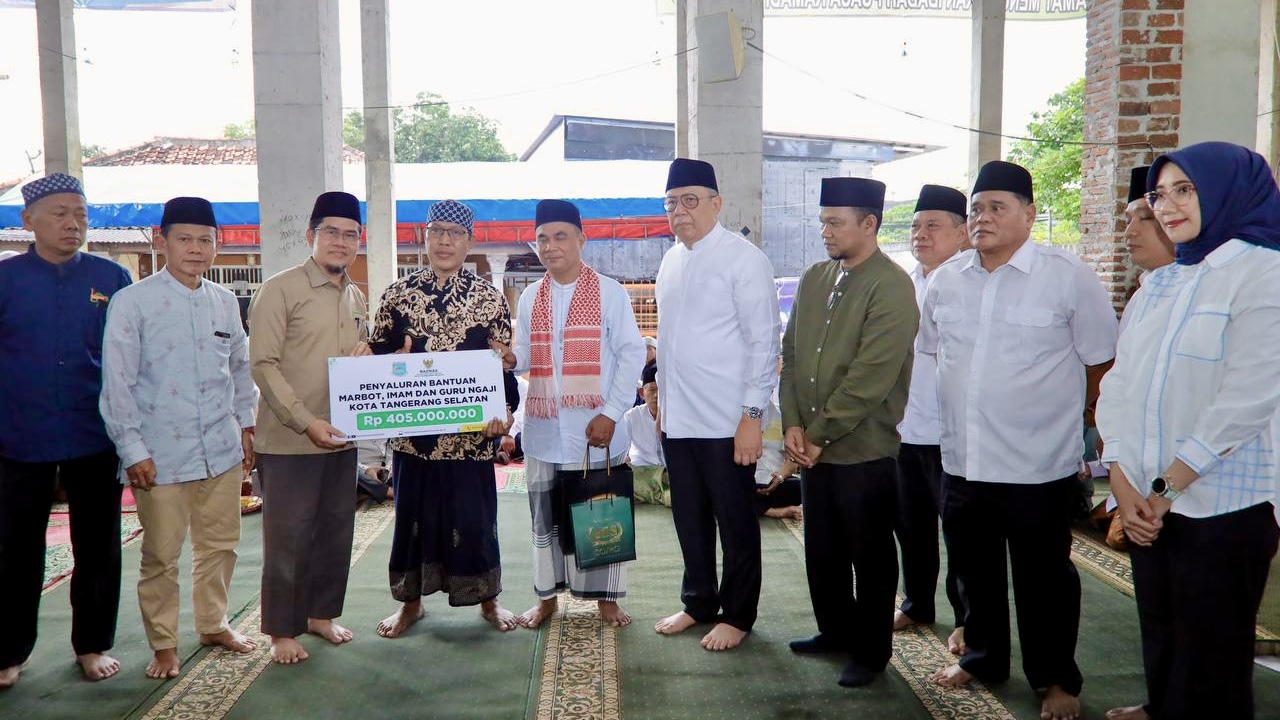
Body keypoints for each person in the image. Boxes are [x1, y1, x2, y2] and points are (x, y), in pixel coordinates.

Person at [920, 161, 1117, 720]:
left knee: (1044, 580)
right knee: (973, 570)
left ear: (1029, 215)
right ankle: (983, 657)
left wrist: (1091, 430)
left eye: (997, 207)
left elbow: (1101, 362)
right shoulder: (946, 279)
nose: (982, 218)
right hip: (963, 459)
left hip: (1038, 464)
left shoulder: (1067, 276)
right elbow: (934, 351)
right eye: (976, 208)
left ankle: (1055, 680)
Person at [1097, 142, 1280, 720]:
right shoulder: (1161, 283)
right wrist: (1122, 481)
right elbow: (1120, 387)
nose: (1167, 206)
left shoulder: (1264, 273)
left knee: (1211, 667)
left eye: (1185, 190)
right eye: (1159, 193)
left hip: (1222, 507)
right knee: (1163, 639)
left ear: (1228, 191)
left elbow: (1246, 401)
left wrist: (1166, 488)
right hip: (1148, 502)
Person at [99, 196, 259, 679]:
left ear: (218, 244)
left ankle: (213, 624)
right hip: (159, 454)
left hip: (221, 449)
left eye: (205, 240)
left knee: (221, 545)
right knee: (161, 556)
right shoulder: (133, 302)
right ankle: (164, 645)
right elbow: (117, 384)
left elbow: (240, 367)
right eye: (184, 239)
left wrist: (246, 424)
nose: (195, 249)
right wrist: (132, 450)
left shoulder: (223, 300)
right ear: (161, 240)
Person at [781, 177, 919, 688]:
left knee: (870, 554)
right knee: (823, 551)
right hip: (812, 445)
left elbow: (870, 377)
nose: (825, 231)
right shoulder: (815, 277)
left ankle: (870, 651)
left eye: (835, 223)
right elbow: (791, 354)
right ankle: (835, 631)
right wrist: (793, 423)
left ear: (869, 223)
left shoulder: (891, 286)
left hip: (864, 450)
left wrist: (817, 435)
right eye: (823, 222)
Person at [0, 173, 133, 687]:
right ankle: (8, 651)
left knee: (98, 544)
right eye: (59, 213)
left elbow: (130, 358)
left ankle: (92, 645)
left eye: (80, 214)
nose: (73, 224)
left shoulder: (111, 277)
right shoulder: (7, 279)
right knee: (14, 548)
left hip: (93, 431)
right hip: (18, 434)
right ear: (28, 220)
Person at [369, 199, 522, 638]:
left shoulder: (489, 298)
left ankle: (488, 600)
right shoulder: (397, 295)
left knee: (475, 521)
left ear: (469, 242)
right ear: (425, 237)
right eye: (436, 231)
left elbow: (501, 367)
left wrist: (504, 413)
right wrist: (388, 362)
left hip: (470, 439)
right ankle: (411, 605)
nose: (444, 241)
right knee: (412, 522)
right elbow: (375, 361)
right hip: (413, 439)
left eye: (454, 233)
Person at [497, 199, 646, 629]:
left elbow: (631, 353)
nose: (550, 246)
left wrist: (612, 413)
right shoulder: (531, 296)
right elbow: (527, 355)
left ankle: (606, 599)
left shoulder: (610, 292)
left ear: (581, 239)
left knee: (601, 513)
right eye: (542, 238)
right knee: (546, 521)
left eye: (560, 236)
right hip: (544, 429)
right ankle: (547, 598)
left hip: (596, 428)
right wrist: (513, 358)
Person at [653, 158, 780, 651]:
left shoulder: (744, 259)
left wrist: (752, 417)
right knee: (689, 518)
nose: (680, 211)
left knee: (736, 519)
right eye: (671, 202)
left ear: (716, 204)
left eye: (690, 200)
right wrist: (662, 404)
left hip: (728, 421)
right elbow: (667, 341)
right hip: (680, 419)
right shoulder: (670, 260)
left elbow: (764, 343)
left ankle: (738, 614)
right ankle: (699, 602)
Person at [248, 191, 371, 664]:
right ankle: (282, 630)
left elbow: (356, 359)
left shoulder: (355, 295)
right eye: (331, 232)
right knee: (289, 537)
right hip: (291, 439)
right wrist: (305, 421)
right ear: (310, 236)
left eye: (350, 234)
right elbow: (263, 364)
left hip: (341, 436)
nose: (341, 241)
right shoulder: (279, 290)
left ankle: (321, 615)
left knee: (335, 531)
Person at [892, 185, 970, 654]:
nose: (920, 234)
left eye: (933, 226)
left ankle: (966, 620)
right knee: (910, 525)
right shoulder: (904, 281)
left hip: (951, 432)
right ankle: (917, 602)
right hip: (905, 426)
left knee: (960, 533)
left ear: (962, 232)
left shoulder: (970, 279)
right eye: (915, 226)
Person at [624, 361, 668, 506]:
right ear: (642, 393)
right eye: (652, 390)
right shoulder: (631, 416)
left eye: (661, 390)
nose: (656, 395)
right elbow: (623, 452)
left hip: (669, 473)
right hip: (643, 473)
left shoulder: (676, 416)